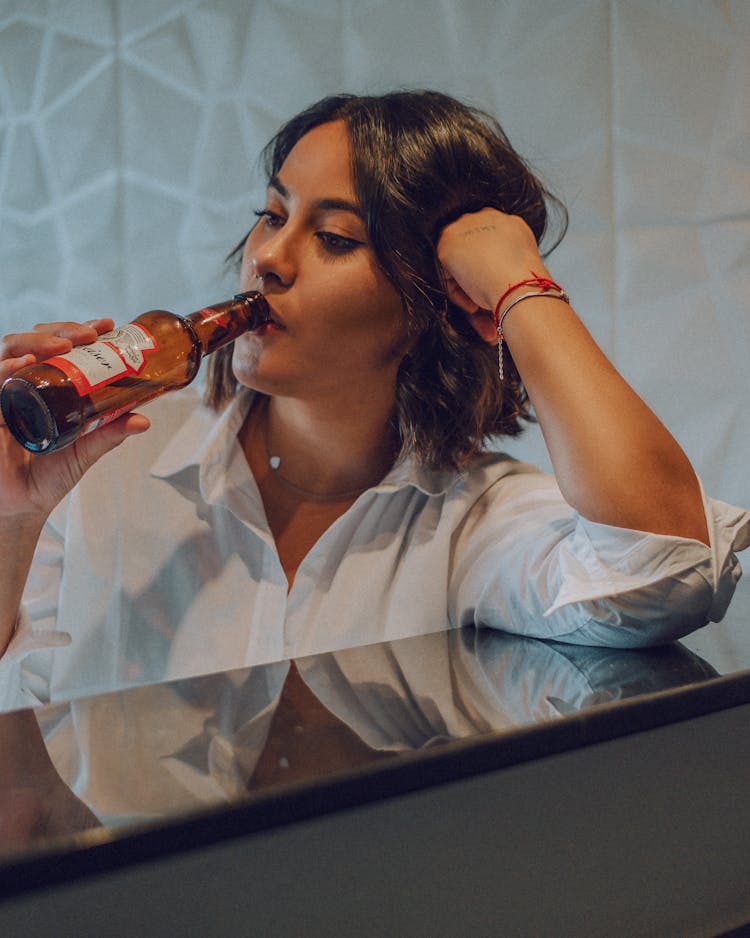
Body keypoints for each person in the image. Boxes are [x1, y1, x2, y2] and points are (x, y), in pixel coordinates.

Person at [1, 90, 748, 710]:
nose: (267, 258)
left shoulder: (469, 522)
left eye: (332, 237)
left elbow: (665, 564)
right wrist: (13, 516)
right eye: (272, 214)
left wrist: (519, 286)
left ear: (430, 298)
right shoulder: (103, 460)